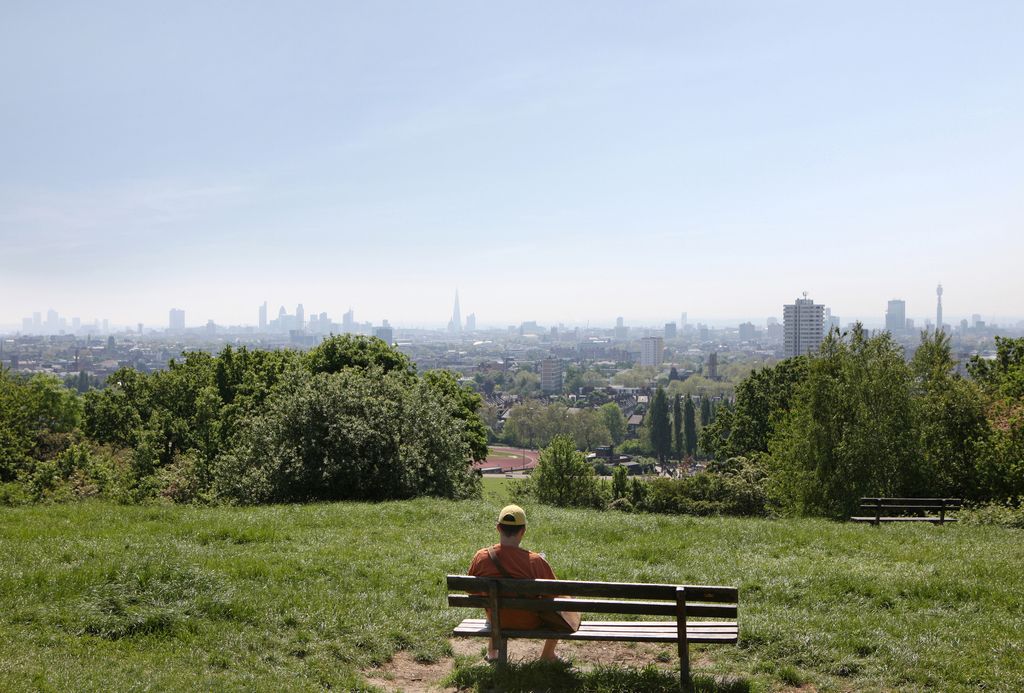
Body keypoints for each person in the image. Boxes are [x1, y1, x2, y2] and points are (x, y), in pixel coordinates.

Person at [468, 504, 559, 662]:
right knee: (562, 606)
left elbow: (471, 591)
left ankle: (492, 653)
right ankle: (547, 655)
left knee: (494, 603)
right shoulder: (536, 562)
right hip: (529, 622)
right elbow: (555, 594)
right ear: (523, 531)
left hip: (497, 620)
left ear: (498, 528)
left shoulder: (481, 557)